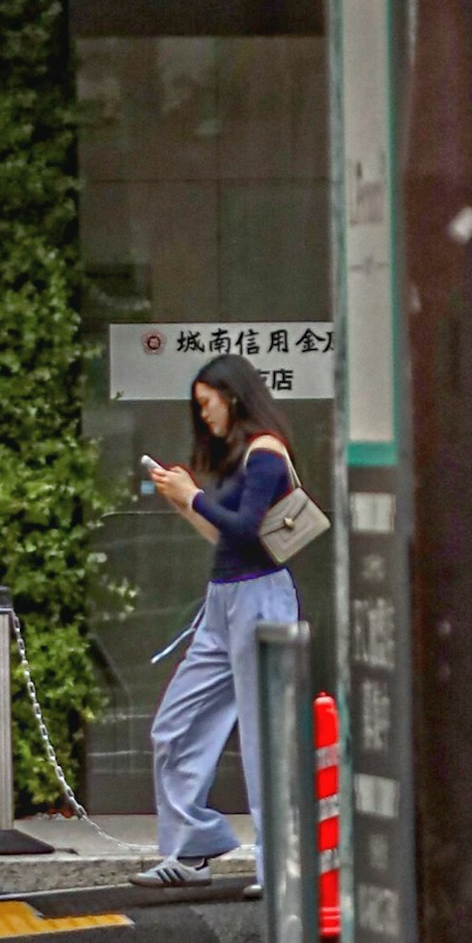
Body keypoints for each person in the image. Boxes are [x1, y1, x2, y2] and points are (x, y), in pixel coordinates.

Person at [137, 354, 299, 898]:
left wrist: (193, 496)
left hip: (259, 600)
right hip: (226, 600)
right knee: (174, 724)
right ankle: (194, 845)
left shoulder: (266, 454)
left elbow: (247, 531)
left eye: (206, 404)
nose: (203, 417)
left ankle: (278, 869)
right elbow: (226, 537)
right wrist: (186, 503)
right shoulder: (239, 460)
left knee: (263, 739)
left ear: (231, 397)